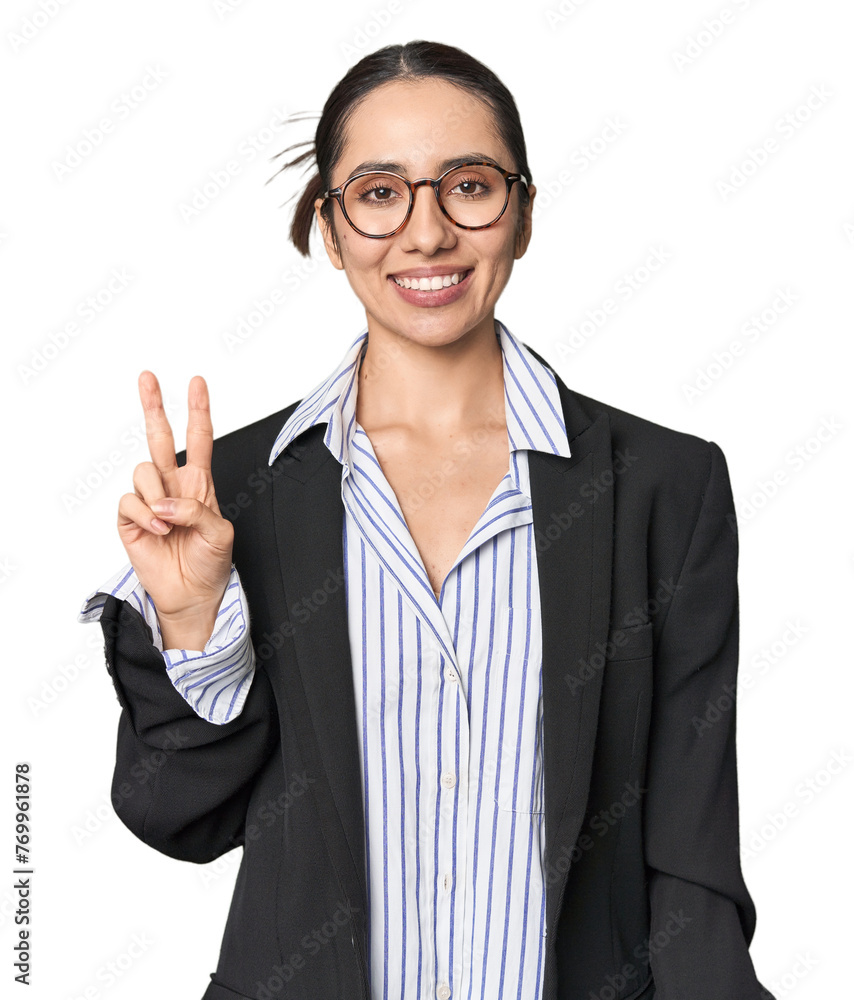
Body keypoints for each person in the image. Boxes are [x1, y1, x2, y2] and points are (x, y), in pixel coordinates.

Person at [79, 39, 775, 1000]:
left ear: (522, 214)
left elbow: (690, 856)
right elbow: (174, 816)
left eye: (469, 186)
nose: (427, 232)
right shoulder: (226, 495)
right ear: (331, 229)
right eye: (379, 193)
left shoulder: (664, 486)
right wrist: (197, 625)